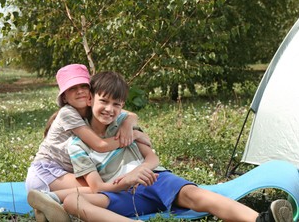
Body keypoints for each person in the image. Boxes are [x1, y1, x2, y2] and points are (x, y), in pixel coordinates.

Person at [27, 71, 294, 222]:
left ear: (122, 106)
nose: (109, 109)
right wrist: (128, 178)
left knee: (195, 195)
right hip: (121, 191)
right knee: (75, 199)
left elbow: (151, 156)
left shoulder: (123, 122)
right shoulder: (77, 144)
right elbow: (96, 186)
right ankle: (60, 208)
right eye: (104, 102)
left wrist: (142, 168)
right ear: (91, 100)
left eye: (116, 104)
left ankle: (261, 221)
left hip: (155, 179)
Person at [25, 64, 150, 194]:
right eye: (72, 88)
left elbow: (130, 114)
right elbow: (100, 145)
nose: (79, 91)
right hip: (46, 173)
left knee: (106, 184)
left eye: (83, 86)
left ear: (90, 92)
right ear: (64, 97)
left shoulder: (94, 107)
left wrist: (128, 124)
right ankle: (47, 201)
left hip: (68, 172)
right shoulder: (67, 113)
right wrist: (134, 135)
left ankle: (55, 203)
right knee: (101, 188)